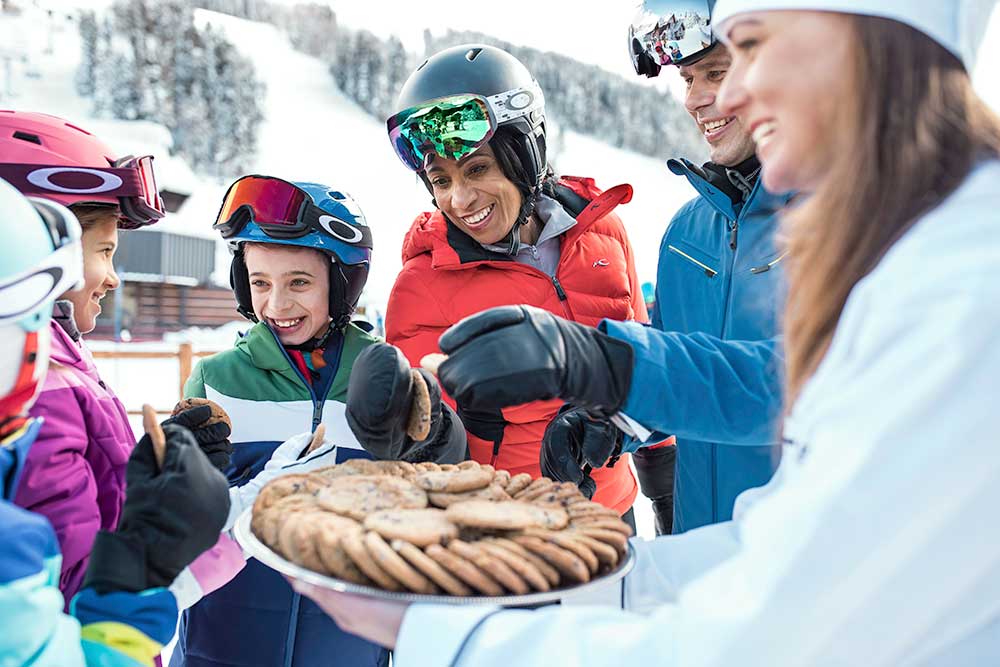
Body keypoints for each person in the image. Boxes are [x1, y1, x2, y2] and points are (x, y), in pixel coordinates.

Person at [295, 1, 1000, 663]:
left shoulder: (965, 289)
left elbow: (762, 636)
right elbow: (773, 542)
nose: (723, 97)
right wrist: (556, 575)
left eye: (745, 50)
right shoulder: (926, 259)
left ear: (859, 38)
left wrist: (458, 628)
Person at [171, 175, 463, 667]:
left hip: (347, 646)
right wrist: (181, 470)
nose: (277, 305)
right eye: (260, 283)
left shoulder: (384, 378)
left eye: (299, 283)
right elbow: (180, 522)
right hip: (221, 645)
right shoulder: (215, 379)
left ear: (343, 282)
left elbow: (439, 495)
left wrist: (435, 438)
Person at [376, 43, 650, 522]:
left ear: (524, 153)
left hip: (612, 516)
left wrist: (661, 478)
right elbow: (427, 437)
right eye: (440, 181)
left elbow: (648, 364)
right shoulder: (422, 284)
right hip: (509, 529)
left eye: (477, 168)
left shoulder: (604, 233)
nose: (460, 199)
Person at [561, 0, 788, 537]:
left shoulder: (846, 222)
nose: (694, 99)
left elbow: (804, 387)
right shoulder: (688, 232)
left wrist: (617, 369)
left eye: (717, 72)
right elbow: (675, 365)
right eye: (687, 78)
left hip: (802, 569)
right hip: (696, 552)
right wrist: (611, 419)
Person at [0, 111, 242, 609]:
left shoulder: (53, 363)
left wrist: (151, 477)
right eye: (104, 250)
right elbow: (78, 599)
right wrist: (171, 530)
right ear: (43, 243)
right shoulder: (38, 390)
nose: (112, 277)